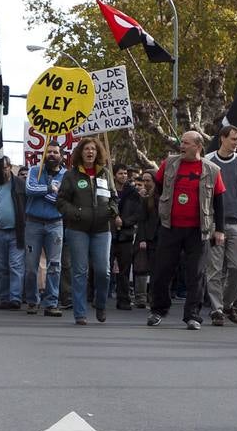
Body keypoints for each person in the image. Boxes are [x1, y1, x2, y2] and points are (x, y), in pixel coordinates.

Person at [147, 130, 221, 329]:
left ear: (198, 146)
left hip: (199, 231)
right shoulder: (169, 163)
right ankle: (158, 310)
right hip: (170, 228)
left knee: (196, 274)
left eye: (187, 143)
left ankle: (192, 316)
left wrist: (219, 230)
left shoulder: (212, 170)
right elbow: (160, 187)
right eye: (182, 142)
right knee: (162, 270)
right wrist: (163, 210)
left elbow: (218, 201)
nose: (182, 146)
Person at [53, 137, 115, 325]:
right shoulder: (70, 176)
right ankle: (80, 313)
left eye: (93, 149)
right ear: (81, 152)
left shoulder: (105, 174)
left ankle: (101, 303)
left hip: (102, 229)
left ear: (98, 153)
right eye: (86, 149)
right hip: (78, 229)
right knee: (80, 271)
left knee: (103, 271)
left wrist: (112, 211)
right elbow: (61, 202)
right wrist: (77, 214)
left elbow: (114, 198)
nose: (90, 152)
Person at [204, 126, 237, 326]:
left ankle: (226, 303)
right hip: (214, 223)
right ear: (222, 139)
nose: (236, 143)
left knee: (236, 268)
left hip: (236, 224)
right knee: (214, 269)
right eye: (233, 139)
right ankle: (216, 309)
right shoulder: (208, 160)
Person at [20, 146, 67, 317]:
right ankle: (32, 301)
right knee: (31, 266)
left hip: (55, 224)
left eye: (55, 152)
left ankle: (51, 303)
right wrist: (49, 189)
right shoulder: (34, 170)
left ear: (61, 156)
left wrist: (49, 195)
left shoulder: (66, 175)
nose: (52, 154)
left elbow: (63, 199)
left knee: (55, 265)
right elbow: (29, 189)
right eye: (49, 151)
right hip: (34, 224)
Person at [113, 167, 150, 311]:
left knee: (124, 269)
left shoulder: (133, 193)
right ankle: (97, 297)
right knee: (104, 268)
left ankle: (124, 299)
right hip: (109, 233)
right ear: (114, 175)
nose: (123, 176)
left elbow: (138, 213)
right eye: (120, 173)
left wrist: (125, 222)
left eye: (125, 174)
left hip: (126, 235)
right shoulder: (109, 190)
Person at [0, 157, 22, 310]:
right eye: (0, 168)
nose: (3, 170)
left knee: (16, 265)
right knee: (0, 267)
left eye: (5, 167)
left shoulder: (19, 184)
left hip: (17, 231)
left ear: (10, 167)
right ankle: (4, 298)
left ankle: (15, 298)